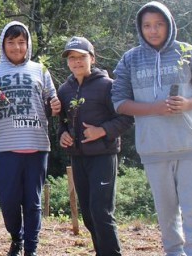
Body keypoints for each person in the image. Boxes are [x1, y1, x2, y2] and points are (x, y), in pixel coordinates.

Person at [111, 2, 192, 256]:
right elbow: (119, 102)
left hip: (190, 144)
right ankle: (174, 252)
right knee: (166, 211)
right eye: (147, 25)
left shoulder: (188, 53)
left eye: (159, 24)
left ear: (169, 25)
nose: (153, 30)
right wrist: (154, 108)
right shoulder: (130, 59)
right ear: (140, 28)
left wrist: (188, 103)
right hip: (153, 147)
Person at [0, 21, 60, 256]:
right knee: (9, 202)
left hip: (37, 146)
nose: (16, 47)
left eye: (21, 42)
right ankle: (16, 237)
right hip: (5, 147)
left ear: (28, 44)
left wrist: (55, 105)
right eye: (11, 42)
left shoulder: (40, 70)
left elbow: (52, 103)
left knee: (33, 202)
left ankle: (31, 248)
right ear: (3, 45)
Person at [56, 36, 134, 256]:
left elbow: (127, 118)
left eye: (81, 57)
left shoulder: (107, 86)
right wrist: (63, 135)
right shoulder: (64, 90)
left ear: (92, 58)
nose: (76, 62)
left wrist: (102, 131)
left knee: (101, 212)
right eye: (72, 58)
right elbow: (62, 123)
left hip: (103, 156)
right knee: (89, 215)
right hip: (78, 158)